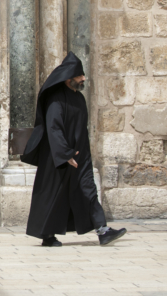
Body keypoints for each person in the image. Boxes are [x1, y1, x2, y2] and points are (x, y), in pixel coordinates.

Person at [21, 52, 127, 247]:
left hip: (81, 155)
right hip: (58, 157)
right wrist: (65, 154)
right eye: (80, 76)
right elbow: (54, 128)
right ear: (69, 77)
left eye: (83, 75)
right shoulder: (56, 99)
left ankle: (103, 230)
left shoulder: (79, 98)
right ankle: (47, 235)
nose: (83, 78)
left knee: (89, 190)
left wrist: (82, 153)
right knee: (53, 195)